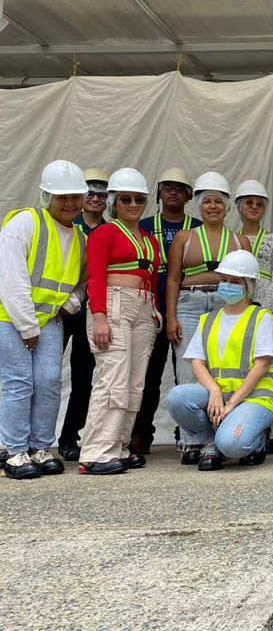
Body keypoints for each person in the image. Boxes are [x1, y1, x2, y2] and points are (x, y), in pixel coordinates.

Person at [0, 160, 88, 480]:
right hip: (11, 318)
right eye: (62, 197)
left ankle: (40, 447)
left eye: (75, 197)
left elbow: (82, 283)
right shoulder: (25, 222)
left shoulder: (80, 237)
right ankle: (14, 452)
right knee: (19, 382)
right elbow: (10, 278)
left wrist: (69, 305)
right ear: (47, 196)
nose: (70, 203)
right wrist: (27, 326)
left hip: (50, 320)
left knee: (49, 383)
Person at [166, 250, 273, 470]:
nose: (227, 285)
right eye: (224, 280)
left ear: (249, 286)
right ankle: (210, 442)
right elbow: (197, 363)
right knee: (177, 398)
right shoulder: (208, 319)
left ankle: (258, 441)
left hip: (253, 398)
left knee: (232, 445)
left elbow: (262, 366)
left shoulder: (261, 317)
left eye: (235, 282)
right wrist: (214, 392)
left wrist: (231, 404)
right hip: (219, 394)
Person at [79, 168, 161, 475]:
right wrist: (99, 316)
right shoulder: (104, 233)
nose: (133, 204)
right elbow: (95, 276)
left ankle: (119, 446)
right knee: (112, 379)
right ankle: (95, 452)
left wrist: (153, 311)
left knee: (135, 382)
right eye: (126, 199)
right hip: (114, 305)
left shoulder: (150, 240)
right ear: (114, 202)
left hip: (143, 308)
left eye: (139, 199)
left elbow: (153, 279)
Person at [130, 167, 199, 454]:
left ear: (188, 196)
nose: (173, 192)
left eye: (179, 188)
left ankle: (188, 431)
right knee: (147, 375)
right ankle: (140, 433)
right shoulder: (143, 226)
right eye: (167, 187)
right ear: (158, 192)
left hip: (190, 309)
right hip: (151, 310)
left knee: (190, 374)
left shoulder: (198, 227)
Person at [166, 172, 251, 398]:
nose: (213, 207)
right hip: (188, 305)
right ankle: (189, 420)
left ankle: (220, 417)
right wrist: (171, 317)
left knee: (222, 364)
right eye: (207, 201)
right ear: (199, 206)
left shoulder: (240, 241)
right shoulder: (184, 237)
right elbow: (173, 279)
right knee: (187, 367)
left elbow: (248, 283)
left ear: (226, 207)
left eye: (218, 202)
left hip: (226, 304)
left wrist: (245, 316)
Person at [57, 168, 108, 461]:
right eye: (90, 192)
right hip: (60, 311)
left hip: (92, 312)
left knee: (83, 378)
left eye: (102, 193)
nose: (95, 198)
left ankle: (69, 438)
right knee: (46, 376)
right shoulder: (65, 223)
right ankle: (29, 441)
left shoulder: (111, 230)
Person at [235, 179, 273, 313]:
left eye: (259, 204)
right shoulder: (232, 239)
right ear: (240, 206)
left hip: (265, 305)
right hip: (237, 304)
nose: (254, 207)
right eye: (249, 202)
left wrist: (265, 310)